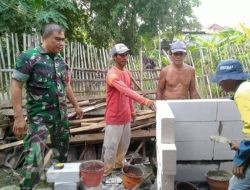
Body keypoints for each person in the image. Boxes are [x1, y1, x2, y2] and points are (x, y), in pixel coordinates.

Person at [11, 23, 84, 189]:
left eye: (63, 40)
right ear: (45, 37)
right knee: (34, 159)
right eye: (57, 39)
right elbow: (16, 86)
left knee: (62, 155)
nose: (61, 43)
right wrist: (18, 117)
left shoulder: (60, 61)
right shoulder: (29, 57)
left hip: (61, 117)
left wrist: (77, 106)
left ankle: (57, 184)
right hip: (39, 119)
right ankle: (28, 187)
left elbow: (66, 86)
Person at [102, 43, 156, 176]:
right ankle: (105, 172)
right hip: (114, 118)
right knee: (110, 148)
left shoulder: (127, 73)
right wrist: (146, 101)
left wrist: (132, 111)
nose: (125, 57)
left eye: (126, 54)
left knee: (123, 146)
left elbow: (129, 94)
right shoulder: (112, 75)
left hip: (125, 117)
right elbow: (125, 90)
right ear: (114, 57)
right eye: (121, 55)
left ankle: (118, 168)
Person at [211, 59, 250, 190]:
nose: (219, 83)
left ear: (232, 79)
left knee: (237, 186)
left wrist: (241, 159)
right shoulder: (247, 88)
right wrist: (242, 146)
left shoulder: (242, 93)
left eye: (222, 79)